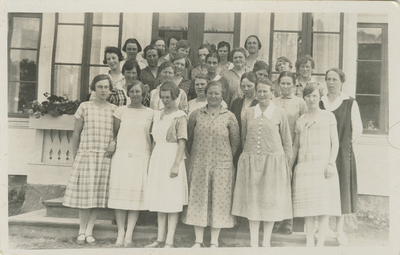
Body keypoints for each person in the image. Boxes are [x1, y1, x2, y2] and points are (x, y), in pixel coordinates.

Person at [231, 78, 292, 248]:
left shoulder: (279, 113)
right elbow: (244, 138)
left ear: (272, 93)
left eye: (266, 91)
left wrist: (287, 164)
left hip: (273, 164)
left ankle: (265, 242)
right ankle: (253, 242)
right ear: (256, 93)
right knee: (253, 203)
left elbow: (287, 141)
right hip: (251, 163)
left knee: (269, 203)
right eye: (260, 91)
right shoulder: (249, 113)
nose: (262, 94)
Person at [183, 81, 240, 248]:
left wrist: (223, 157)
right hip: (199, 163)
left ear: (222, 96)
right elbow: (189, 140)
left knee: (219, 200)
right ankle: (198, 240)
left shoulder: (229, 116)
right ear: (205, 94)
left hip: (222, 165)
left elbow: (235, 142)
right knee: (199, 199)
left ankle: (214, 241)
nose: (213, 96)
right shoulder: (196, 114)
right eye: (210, 93)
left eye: (217, 93)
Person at [63, 74, 118, 245]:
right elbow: (76, 133)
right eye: (100, 87)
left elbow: (116, 134)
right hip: (86, 155)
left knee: (97, 196)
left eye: (106, 87)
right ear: (94, 89)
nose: (103, 90)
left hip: (104, 158)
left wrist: (113, 142)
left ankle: (89, 230)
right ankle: (81, 230)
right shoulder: (85, 107)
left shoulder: (115, 109)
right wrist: (75, 156)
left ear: (110, 90)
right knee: (85, 196)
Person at [291, 83, 341, 247]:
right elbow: (296, 146)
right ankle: (309, 242)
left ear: (319, 97)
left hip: (322, 166)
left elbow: (335, 143)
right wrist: (290, 167)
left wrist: (331, 163)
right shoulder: (300, 120)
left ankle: (320, 242)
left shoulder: (328, 116)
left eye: (314, 96)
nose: (311, 99)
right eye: (308, 96)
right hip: (304, 168)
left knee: (323, 206)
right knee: (308, 206)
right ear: (304, 98)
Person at [107, 80, 154, 247]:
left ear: (144, 94)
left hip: (141, 157)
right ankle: (120, 233)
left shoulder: (150, 113)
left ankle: (129, 234)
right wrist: (112, 143)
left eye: (138, 92)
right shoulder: (120, 111)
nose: (135, 95)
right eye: (132, 91)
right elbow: (115, 133)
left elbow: (152, 137)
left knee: (135, 198)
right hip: (121, 157)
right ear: (128, 93)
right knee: (120, 197)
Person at [319, 68, 363, 245]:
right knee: (323, 188)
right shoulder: (320, 101)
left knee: (342, 190)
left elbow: (357, 130)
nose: (331, 83)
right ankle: (322, 227)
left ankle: (339, 229)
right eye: (328, 79)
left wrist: (343, 146)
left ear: (341, 82)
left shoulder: (350, 103)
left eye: (334, 79)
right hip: (322, 152)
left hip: (343, 153)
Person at [145, 81, 188, 248]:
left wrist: (176, 165)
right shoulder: (157, 115)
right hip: (158, 157)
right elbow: (154, 141)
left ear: (175, 97)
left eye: (168, 97)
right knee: (159, 199)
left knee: (171, 200)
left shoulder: (180, 116)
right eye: (162, 97)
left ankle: (169, 240)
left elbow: (182, 142)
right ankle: (159, 238)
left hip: (172, 157)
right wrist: (152, 161)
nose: (165, 101)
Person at [271, 71, 307, 235]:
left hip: (295, 147)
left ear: (294, 85)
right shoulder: (273, 102)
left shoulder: (300, 103)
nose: (285, 87)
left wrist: (293, 153)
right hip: (275, 150)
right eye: (282, 83)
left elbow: (304, 127)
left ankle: (289, 221)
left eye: (288, 84)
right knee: (276, 185)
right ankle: (276, 218)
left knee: (291, 183)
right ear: (278, 85)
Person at [230, 72, 258, 168]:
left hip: (254, 145)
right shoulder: (236, 103)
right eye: (243, 86)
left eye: (249, 86)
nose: (246, 89)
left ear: (256, 85)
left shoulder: (259, 103)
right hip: (238, 145)